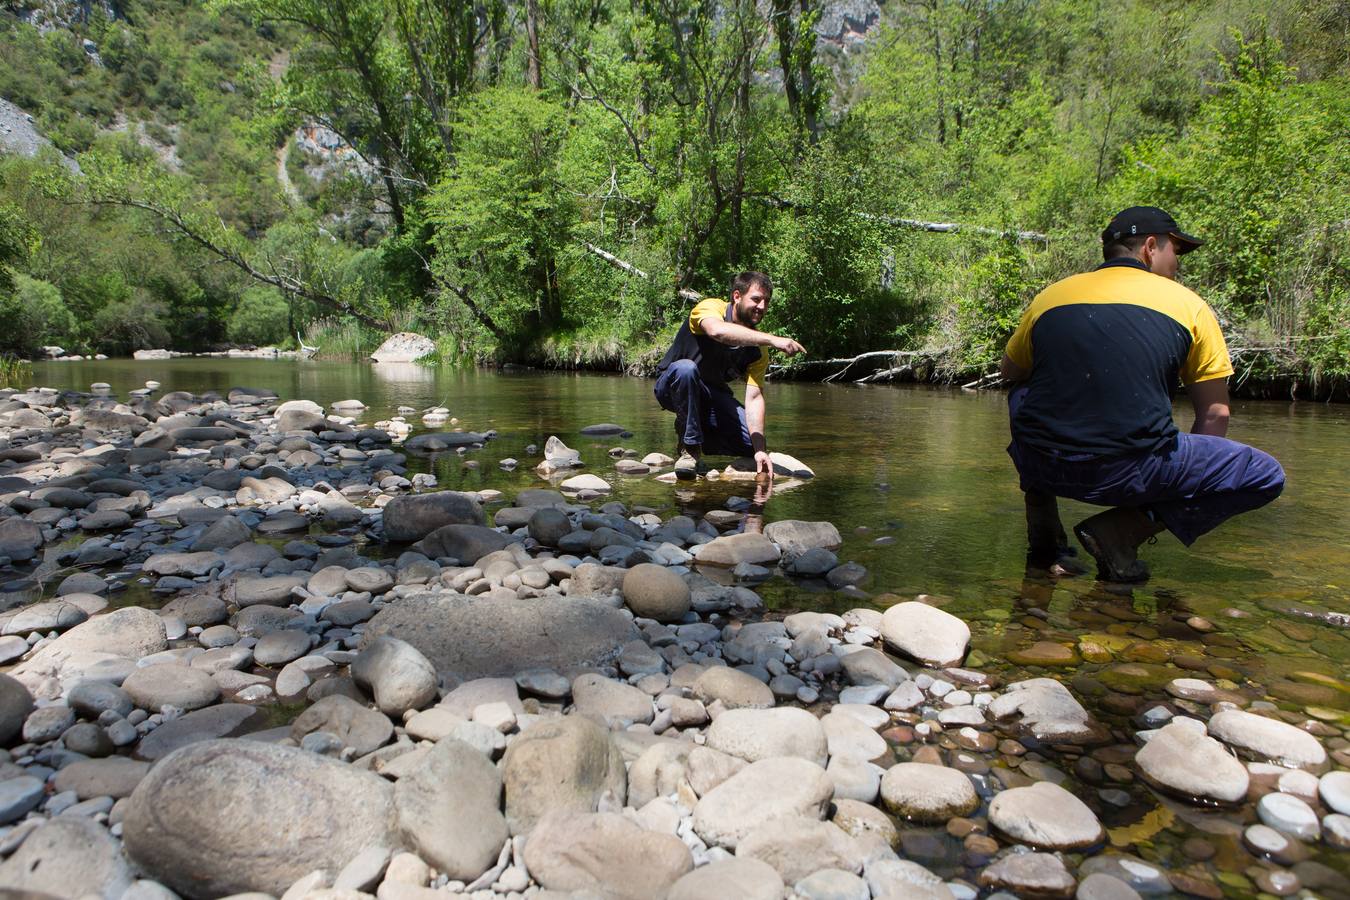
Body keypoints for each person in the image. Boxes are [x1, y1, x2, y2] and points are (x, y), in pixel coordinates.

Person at [1000, 206, 1285, 581]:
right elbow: (1216, 414)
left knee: (1022, 389)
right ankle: (1122, 530)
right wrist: (1172, 497)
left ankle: (1043, 531)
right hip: (1131, 474)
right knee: (1265, 475)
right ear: (1151, 247)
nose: (1178, 264)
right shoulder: (1190, 306)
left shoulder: (1051, 297)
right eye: (1176, 252)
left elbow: (1009, 373)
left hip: (1041, 462)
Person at [654, 271, 806, 480]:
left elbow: (754, 397)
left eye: (766, 301)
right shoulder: (709, 308)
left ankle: (697, 433)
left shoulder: (758, 348)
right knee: (686, 369)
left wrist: (760, 449)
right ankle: (689, 448)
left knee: (750, 445)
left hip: (710, 396)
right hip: (672, 386)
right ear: (737, 296)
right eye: (756, 299)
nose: (761, 307)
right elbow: (717, 331)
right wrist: (773, 339)